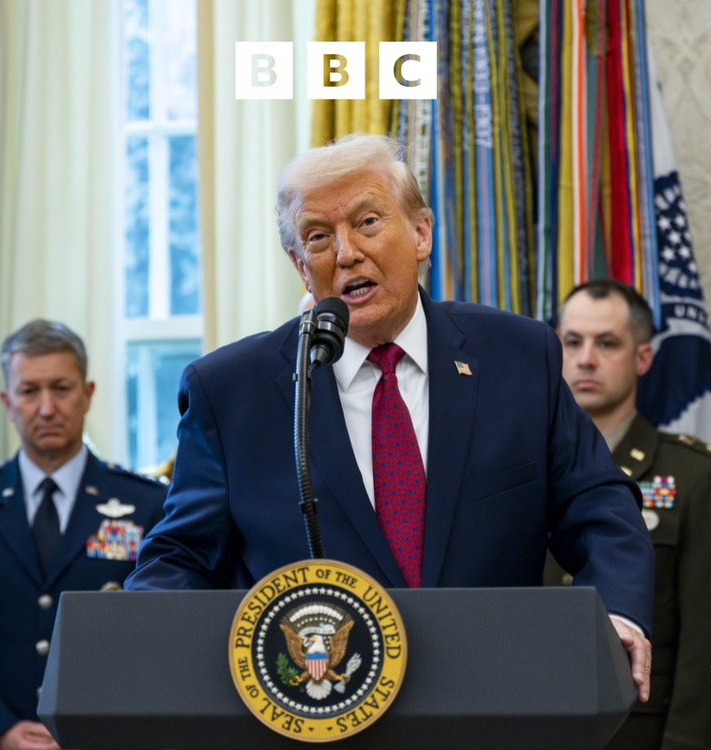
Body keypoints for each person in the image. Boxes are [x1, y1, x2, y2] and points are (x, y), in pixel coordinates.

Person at [126, 134, 654, 701]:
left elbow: (597, 505)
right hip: (318, 710)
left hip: (497, 700)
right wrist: (141, 661)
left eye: (368, 222)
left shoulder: (517, 356)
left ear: (421, 233)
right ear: (300, 266)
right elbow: (180, 556)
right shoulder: (233, 391)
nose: (346, 253)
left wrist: (618, 613)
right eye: (318, 237)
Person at [0, 319, 167, 750]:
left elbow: (158, 638)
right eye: (29, 391)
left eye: (61, 388)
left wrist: (93, 729)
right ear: (6, 401)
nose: (46, 408)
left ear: (87, 394)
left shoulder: (148, 504)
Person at [546, 279, 711, 749]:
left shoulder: (693, 476)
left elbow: (703, 645)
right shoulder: (522, 468)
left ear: (642, 358)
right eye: (572, 342)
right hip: (537, 724)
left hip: (639, 733)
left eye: (607, 343)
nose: (586, 359)